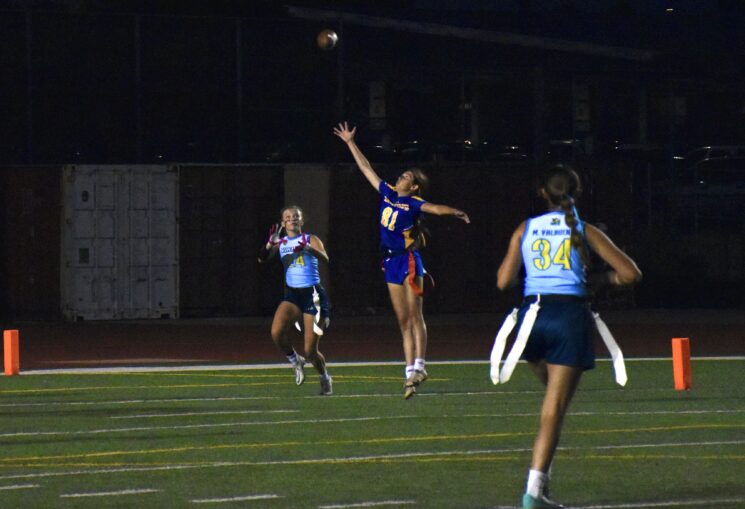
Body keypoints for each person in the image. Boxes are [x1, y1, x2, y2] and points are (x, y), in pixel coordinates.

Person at [496, 164, 642, 509]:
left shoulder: (525, 228)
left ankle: (541, 487)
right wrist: (601, 281)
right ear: (577, 193)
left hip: (531, 319)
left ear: (542, 193)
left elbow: (503, 281)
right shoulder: (584, 229)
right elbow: (630, 273)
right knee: (554, 410)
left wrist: (534, 275)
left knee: (553, 401)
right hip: (568, 317)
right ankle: (534, 492)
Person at [334, 121, 470, 399]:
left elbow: (435, 208)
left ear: (414, 186)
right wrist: (350, 143)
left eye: (407, 176)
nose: (401, 176)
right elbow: (366, 169)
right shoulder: (387, 192)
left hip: (408, 261)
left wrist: (455, 211)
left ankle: (421, 365)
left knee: (416, 315)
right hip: (390, 263)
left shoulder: (413, 203)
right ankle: (409, 373)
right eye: (402, 174)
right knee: (402, 320)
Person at [258, 205, 333, 395]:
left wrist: (308, 249)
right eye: (288, 217)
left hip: (313, 295)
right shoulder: (281, 242)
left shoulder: (310, 239)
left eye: (295, 216)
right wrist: (269, 244)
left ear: (301, 220)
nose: (292, 219)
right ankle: (294, 360)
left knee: (310, 351)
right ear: (283, 222)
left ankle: (324, 376)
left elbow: (325, 258)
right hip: (293, 294)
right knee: (276, 332)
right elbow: (261, 259)